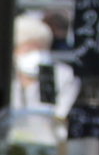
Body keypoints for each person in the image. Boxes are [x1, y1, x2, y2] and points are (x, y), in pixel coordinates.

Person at [8, 12, 77, 145]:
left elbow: (57, 118)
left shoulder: (59, 76)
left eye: (42, 48)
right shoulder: (6, 78)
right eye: (29, 49)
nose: (37, 54)